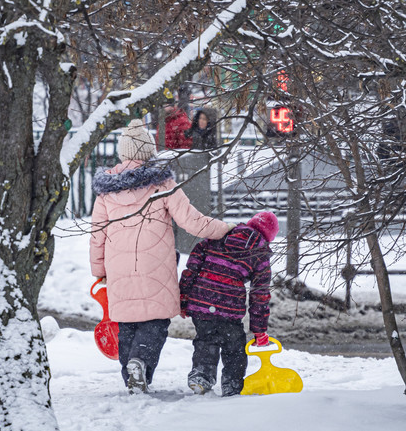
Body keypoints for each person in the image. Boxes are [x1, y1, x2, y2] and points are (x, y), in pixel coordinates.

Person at [90, 119, 232, 394]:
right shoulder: (162, 185)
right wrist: (225, 229)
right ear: (149, 152)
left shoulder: (106, 192)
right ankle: (140, 363)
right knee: (155, 322)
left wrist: (98, 268)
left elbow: (97, 234)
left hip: (118, 267)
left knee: (127, 322)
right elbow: (193, 222)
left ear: (123, 153)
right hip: (156, 266)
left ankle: (132, 376)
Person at [179, 211, 278, 396]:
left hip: (202, 300)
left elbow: (192, 265)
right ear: (269, 236)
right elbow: (260, 295)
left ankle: (202, 375)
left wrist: (184, 297)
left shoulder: (220, 234)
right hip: (229, 307)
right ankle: (232, 384)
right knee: (234, 348)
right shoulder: (260, 254)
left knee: (205, 340)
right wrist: (259, 330)